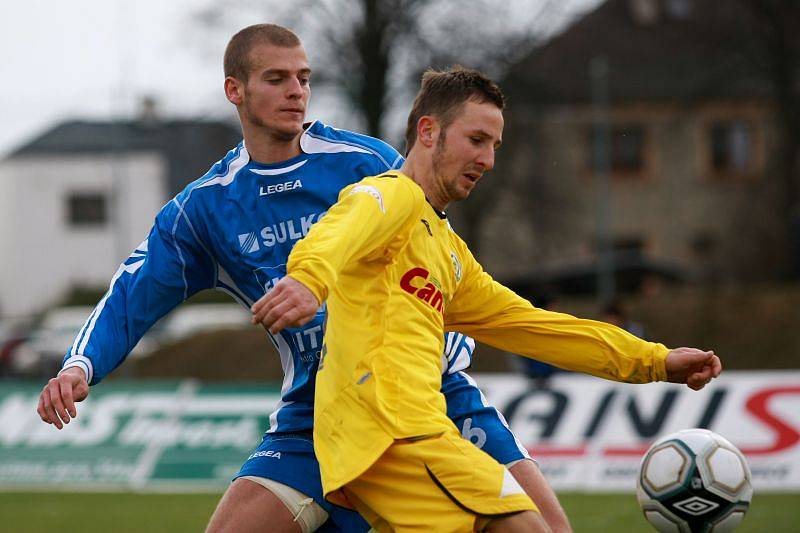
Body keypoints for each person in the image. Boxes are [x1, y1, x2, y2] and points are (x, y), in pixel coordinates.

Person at [36, 25, 571, 532]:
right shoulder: (207, 209)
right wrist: (81, 364)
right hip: (316, 411)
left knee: (549, 527)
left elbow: (440, 263)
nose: (297, 91)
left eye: (304, 78)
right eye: (277, 78)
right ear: (234, 90)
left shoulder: (364, 163)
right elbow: (133, 291)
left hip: (428, 395)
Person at [252, 66, 723, 531]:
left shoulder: (450, 255)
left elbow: (536, 327)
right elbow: (341, 230)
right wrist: (309, 280)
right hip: (393, 432)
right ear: (429, 131)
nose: (488, 160)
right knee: (526, 527)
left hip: (408, 436)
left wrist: (655, 361)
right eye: (476, 140)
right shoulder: (392, 195)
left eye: (495, 146)